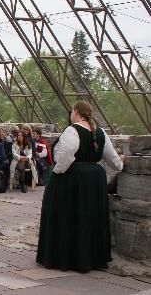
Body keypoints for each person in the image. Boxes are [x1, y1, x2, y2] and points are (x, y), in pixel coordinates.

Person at [37, 101, 124, 272]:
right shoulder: (100, 132)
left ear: (76, 112)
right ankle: (91, 257)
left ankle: (66, 257)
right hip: (95, 179)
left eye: (72, 111)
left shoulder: (73, 129)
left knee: (68, 215)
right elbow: (112, 158)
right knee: (90, 216)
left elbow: (67, 154)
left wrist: (58, 171)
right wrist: (121, 165)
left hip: (73, 179)